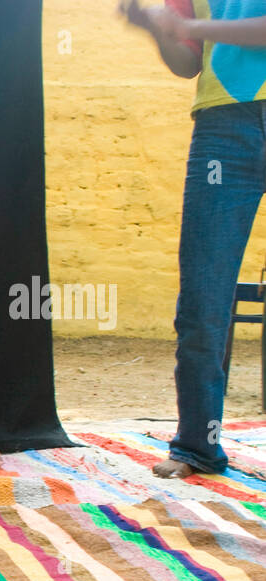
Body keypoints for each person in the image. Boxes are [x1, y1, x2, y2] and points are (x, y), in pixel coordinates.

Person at [123, 0, 266, 478]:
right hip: (221, 128)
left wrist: (184, 24)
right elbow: (187, 63)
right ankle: (197, 446)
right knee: (203, 298)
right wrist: (159, 31)